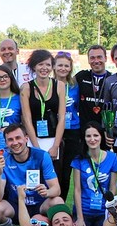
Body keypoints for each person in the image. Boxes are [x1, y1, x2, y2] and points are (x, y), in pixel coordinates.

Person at [0, 123, 62, 226]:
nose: (15, 143)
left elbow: (56, 189)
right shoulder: (2, 160)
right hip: (16, 205)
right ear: (6, 143)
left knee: (57, 202)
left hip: (39, 204)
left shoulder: (41, 156)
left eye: (18, 138)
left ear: (26, 138)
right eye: (10, 140)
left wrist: (47, 192)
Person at [71, 123, 117, 226]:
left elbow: (113, 188)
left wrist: (110, 213)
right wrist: (80, 218)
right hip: (84, 210)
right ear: (84, 138)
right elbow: (77, 190)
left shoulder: (112, 158)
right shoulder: (78, 159)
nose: (92, 139)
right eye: (88, 136)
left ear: (101, 136)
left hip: (103, 210)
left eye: (96, 135)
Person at [21, 49, 66, 161]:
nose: (44, 68)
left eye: (48, 64)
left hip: (54, 140)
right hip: (33, 140)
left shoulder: (59, 86)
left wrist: (55, 146)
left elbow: (62, 117)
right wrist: (36, 148)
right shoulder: (26, 88)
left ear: (52, 67)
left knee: (54, 171)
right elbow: (27, 120)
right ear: (34, 66)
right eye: (40, 64)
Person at [54, 51, 81, 195]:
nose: (63, 68)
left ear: (70, 68)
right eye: (60, 65)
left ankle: (61, 203)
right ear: (54, 66)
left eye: (66, 66)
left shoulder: (75, 86)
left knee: (66, 173)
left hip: (72, 131)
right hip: (54, 130)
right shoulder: (49, 85)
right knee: (54, 171)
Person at [74, 45, 110, 132]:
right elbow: (65, 84)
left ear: (105, 58)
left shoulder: (112, 79)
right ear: (88, 60)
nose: (96, 61)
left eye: (99, 57)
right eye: (92, 58)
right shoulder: (81, 76)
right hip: (84, 131)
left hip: (104, 131)